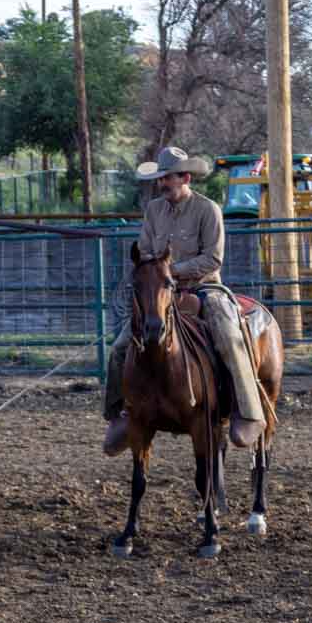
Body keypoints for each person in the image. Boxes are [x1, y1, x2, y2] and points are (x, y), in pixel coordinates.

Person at [102, 146, 266, 456]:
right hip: (163, 293)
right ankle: (119, 414)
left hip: (204, 288)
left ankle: (248, 410)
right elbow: (146, 250)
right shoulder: (153, 211)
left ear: (185, 177)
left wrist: (171, 271)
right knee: (121, 345)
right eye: (161, 178)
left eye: (169, 178)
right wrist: (155, 275)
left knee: (229, 336)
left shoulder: (208, 210)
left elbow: (212, 259)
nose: (163, 184)